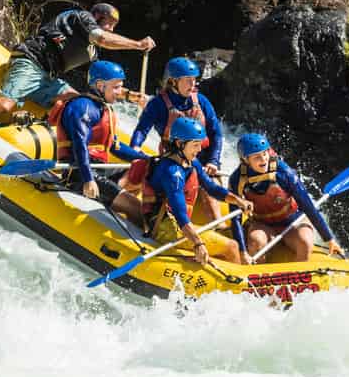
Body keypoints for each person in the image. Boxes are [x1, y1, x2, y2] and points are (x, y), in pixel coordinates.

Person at [0, 3, 155, 120]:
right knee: (4, 105)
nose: (112, 29)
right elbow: (103, 38)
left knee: (78, 102)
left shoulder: (91, 52)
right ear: (97, 17)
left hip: (48, 78)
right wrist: (138, 44)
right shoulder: (81, 18)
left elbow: (103, 86)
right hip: (31, 61)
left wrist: (133, 96)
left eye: (114, 26)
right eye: (109, 23)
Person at [123, 117, 253, 266]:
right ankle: (237, 283)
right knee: (232, 246)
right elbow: (180, 214)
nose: (199, 149)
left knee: (227, 240)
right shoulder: (172, 172)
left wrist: (238, 200)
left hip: (175, 223)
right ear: (179, 144)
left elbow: (211, 187)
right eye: (195, 145)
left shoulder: (191, 162)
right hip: (165, 228)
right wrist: (197, 243)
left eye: (200, 145)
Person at [47, 60, 148, 224]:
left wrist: (146, 159)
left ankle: (117, 201)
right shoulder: (83, 107)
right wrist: (88, 180)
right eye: (116, 87)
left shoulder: (102, 107)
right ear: (100, 85)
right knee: (137, 208)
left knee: (145, 168)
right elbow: (80, 147)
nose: (120, 92)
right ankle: (128, 208)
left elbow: (114, 146)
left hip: (100, 169)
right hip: (79, 172)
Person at [129, 56, 224, 221]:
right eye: (188, 80)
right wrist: (135, 148)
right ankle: (125, 201)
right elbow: (142, 130)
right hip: (173, 158)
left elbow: (216, 133)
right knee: (145, 171)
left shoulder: (201, 101)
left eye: (194, 80)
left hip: (203, 157)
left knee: (210, 184)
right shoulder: (157, 104)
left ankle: (219, 224)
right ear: (173, 81)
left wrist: (213, 161)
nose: (193, 84)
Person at [228, 133, 344, 263]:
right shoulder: (237, 179)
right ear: (245, 160)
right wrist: (243, 252)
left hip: (293, 221)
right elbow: (235, 217)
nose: (263, 160)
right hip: (262, 224)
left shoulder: (284, 173)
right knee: (256, 241)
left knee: (305, 242)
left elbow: (307, 206)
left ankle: (301, 276)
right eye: (257, 157)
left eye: (264, 154)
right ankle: (259, 276)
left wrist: (329, 240)